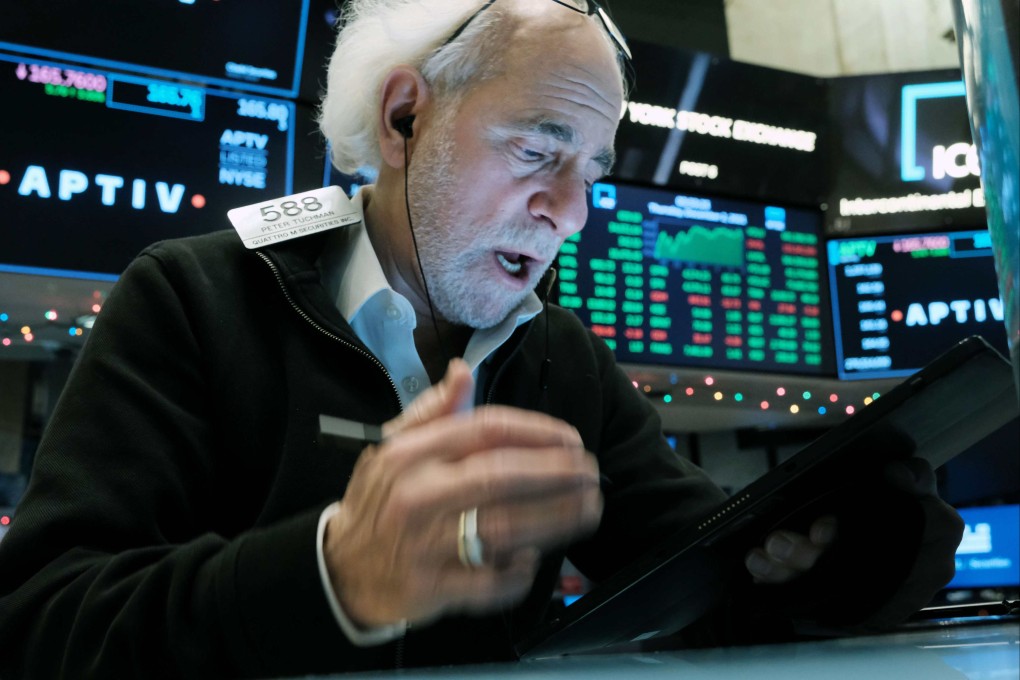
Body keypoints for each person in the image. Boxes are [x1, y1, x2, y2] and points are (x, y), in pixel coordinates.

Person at [0, 0, 963, 677]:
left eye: (591, 170)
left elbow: (707, 575)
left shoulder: (560, 358)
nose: (569, 215)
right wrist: (333, 575)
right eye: (538, 151)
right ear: (403, 116)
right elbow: (42, 624)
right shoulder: (191, 297)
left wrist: (855, 537)